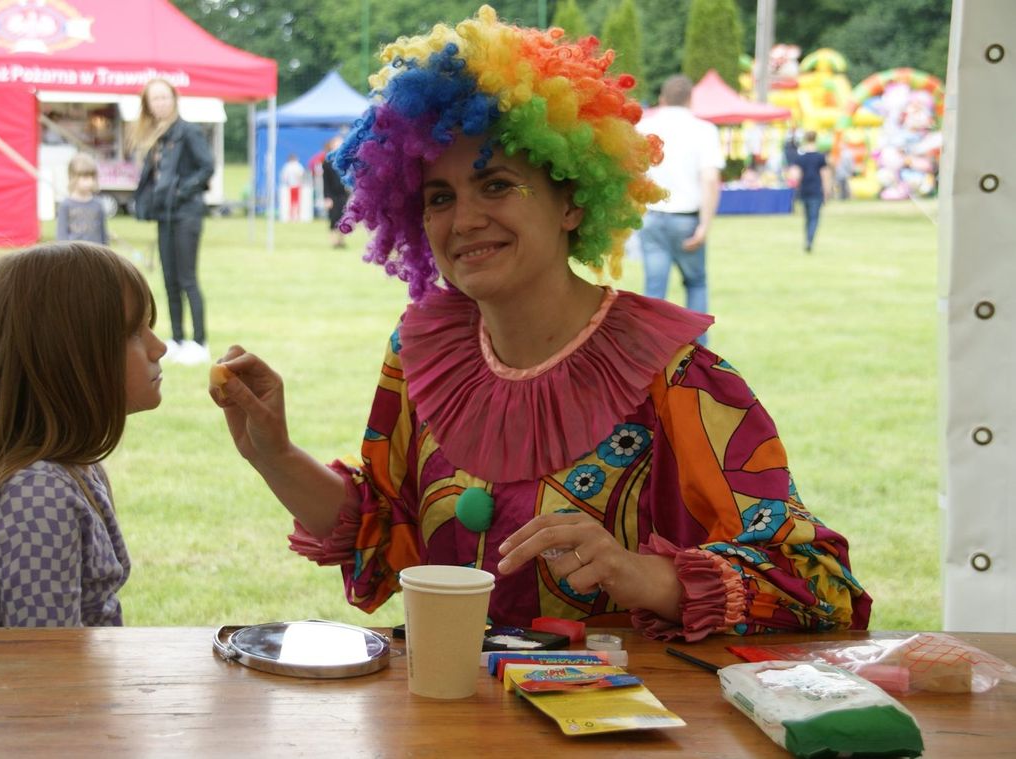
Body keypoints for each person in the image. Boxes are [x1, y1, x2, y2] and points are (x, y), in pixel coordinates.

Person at [210, 6, 871, 640]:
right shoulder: (418, 353)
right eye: (439, 197)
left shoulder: (675, 377)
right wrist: (274, 454)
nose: (463, 220)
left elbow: (820, 583)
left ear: (572, 203)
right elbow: (386, 534)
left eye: (496, 184)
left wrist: (639, 574)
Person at [0, 242, 166, 627]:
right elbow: (50, 672)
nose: (158, 347)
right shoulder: (37, 496)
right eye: (132, 333)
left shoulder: (77, 469)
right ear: (68, 357)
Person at [130, 78, 214, 365]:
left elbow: (207, 166)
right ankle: (177, 338)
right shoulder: (157, 138)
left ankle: (200, 342)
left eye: (165, 97)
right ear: (148, 105)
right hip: (164, 215)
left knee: (187, 278)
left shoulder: (188, 132)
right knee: (169, 280)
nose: (161, 103)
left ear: (174, 99)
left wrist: (181, 191)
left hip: (186, 213)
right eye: (155, 99)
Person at [637, 75, 724, 344]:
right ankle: (699, 353)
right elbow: (710, 179)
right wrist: (705, 225)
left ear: (662, 99)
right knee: (695, 283)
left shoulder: (644, 125)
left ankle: (650, 349)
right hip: (686, 218)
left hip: (651, 217)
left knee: (654, 290)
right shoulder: (704, 129)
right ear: (690, 99)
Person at [789, 130, 833, 253]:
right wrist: (827, 191)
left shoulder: (800, 158)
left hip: (804, 189)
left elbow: (795, 175)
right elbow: (825, 176)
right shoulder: (820, 157)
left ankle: (807, 239)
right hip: (816, 190)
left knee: (807, 218)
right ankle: (810, 240)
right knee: (814, 218)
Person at [57, 152, 109, 245]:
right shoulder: (66, 205)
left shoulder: (98, 204)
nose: (90, 181)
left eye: (92, 177)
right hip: (74, 255)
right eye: (85, 177)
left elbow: (103, 234)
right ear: (73, 178)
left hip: (95, 254)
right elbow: (61, 236)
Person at [321, 136, 350, 248]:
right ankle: (333, 241)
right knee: (333, 218)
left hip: (344, 194)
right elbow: (325, 183)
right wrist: (327, 198)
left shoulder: (346, 160)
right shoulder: (327, 162)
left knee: (344, 218)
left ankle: (341, 241)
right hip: (333, 195)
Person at [279, 154, 306, 221]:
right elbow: (301, 175)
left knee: (291, 202)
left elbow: (284, 176)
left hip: (290, 185)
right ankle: (297, 216)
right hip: (297, 185)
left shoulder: (287, 166)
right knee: (297, 202)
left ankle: (292, 216)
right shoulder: (298, 166)